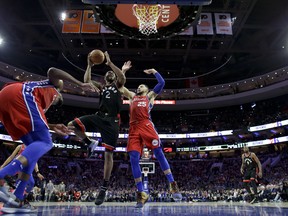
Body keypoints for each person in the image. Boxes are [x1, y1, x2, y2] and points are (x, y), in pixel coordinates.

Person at [0, 67, 97, 213]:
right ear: (58, 93)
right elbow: (52, 71)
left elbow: (40, 124)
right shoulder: (52, 87)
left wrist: (53, 126)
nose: (58, 99)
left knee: (33, 149)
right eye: (60, 97)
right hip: (19, 93)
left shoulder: (39, 104)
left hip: (6, 99)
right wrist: (80, 84)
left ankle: (16, 198)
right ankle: (3, 174)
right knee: (46, 142)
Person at [67, 51, 126, 206]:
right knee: (71, 125)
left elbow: (122, 77)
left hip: (112, 122)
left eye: (111, 73)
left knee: (108, 155)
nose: (109, 74)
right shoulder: (101, 87)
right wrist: (89, 64)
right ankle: (89, 142)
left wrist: (110, 63)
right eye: (107, 73)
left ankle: (103, 189)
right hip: (99, 116)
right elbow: (86, 81)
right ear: (105, 78)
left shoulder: (118, 86)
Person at [119, 65, 182, 208]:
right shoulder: (132, 96)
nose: (139, 87)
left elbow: (162, 83)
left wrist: (154, 72)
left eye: (142, 86)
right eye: (139, 86)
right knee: (133, 159)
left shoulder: (150, 96)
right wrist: (122, 72)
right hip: (133, 128)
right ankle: (142, 193)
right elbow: (120, 87)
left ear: (147, 89)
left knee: (159, 153)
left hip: (146, 125)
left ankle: (172, 184)